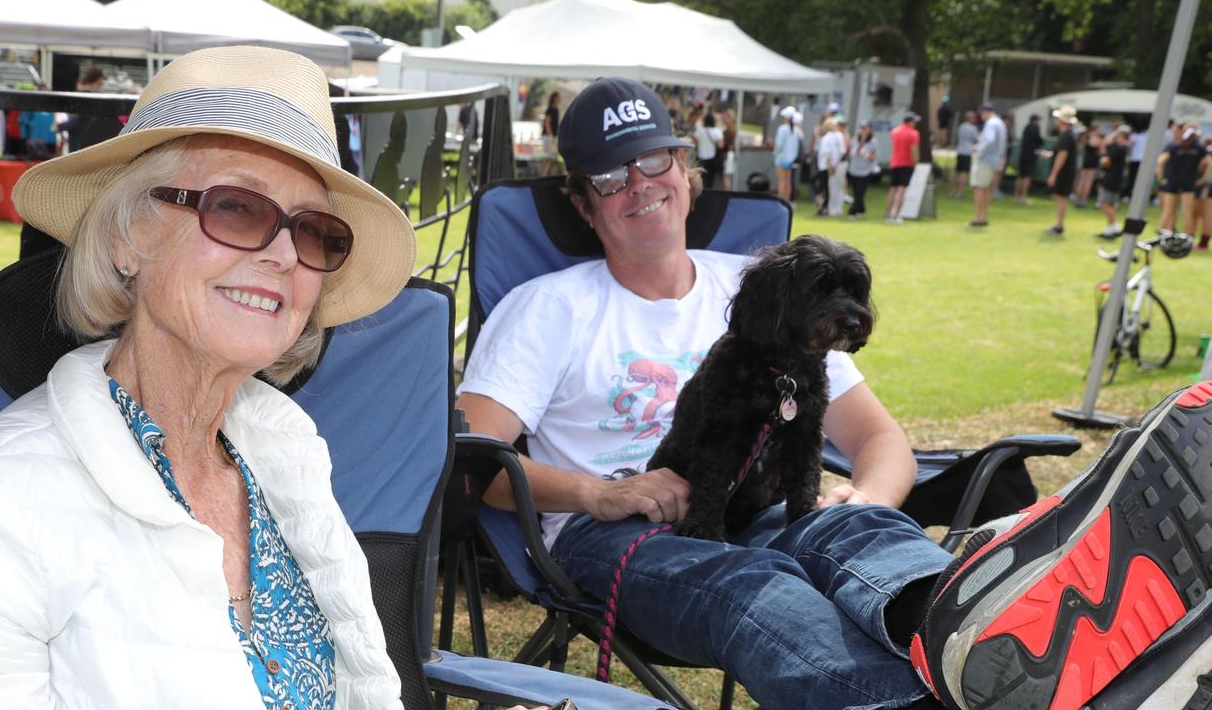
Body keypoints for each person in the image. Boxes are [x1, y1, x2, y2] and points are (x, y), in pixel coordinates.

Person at [458, 74, 1212, 710]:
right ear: (584, 204)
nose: (639, 188)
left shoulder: (768, 284)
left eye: (653, 161)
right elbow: (474, 462)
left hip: (776, 505)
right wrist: (598, 494)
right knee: (757, 584)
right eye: (610, 178)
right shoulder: (546, 306)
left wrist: (868, 500)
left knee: (862, 537)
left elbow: (880, 444)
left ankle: (994, 642)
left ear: (687, 170)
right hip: (628, 533)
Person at [0, 45, 429, 709]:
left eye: (314, 232)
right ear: (128, 236)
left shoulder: (283, 457)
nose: (284, 255)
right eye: (237, 208)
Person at [1156, 121, 1210, 234]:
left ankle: (1163, 235)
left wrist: (1161, 178)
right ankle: (1186, 237)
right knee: (1186, 212)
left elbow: (1160, 161)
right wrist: (1203, 178)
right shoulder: (1198, 147)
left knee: (1168, 211)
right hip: (1188, 181)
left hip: (1173, 180)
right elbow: (1209, 163)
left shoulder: (1175, 145)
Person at [969, 102, 1007, 227]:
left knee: (979, 187)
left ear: (985, 112)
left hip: (985, 159)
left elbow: (989, 140)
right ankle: (983, 216)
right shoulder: (1000, 123)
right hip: (995, 159)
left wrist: (979, 150)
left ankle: (979, 217)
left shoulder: (991, 123)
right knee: (985, 188)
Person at [1044, 105, 1079, 236]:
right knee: (1060, 198)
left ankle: (1059, 225)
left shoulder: (1066, 136)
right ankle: (1058, 224)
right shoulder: (1066, 135)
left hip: (1064, 173)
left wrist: (1053, 174)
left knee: (1061, 198)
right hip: (1065, 172)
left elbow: (1062, 156)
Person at [1097, 125, 1131, 239]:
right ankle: (1110, 229)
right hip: (1115, 179)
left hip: (1112, 179)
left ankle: (1115, 227)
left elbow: (1105, 161)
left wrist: (1103, 159)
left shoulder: (1120, 149)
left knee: (1104, 204)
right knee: (1109, 204)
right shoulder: (1120, 148)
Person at [885, 112, 920, 224]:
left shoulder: (895, 131)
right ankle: (896, 215)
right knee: (901, 190)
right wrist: (915, 163)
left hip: (894, 163)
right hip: (906, 164)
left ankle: (888, 214)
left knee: (892, 189)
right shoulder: (913, 133)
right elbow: (913, 150)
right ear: (911, 122)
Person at [847, 120, 879, 218]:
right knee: (856, 191)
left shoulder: (873, 141)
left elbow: (875, 156)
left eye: (865, 128)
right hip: (854, 169)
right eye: (861, 128)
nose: (863, 131)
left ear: (869, 130)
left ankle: (852, 212)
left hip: (866, 171)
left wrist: (868, 155)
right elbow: (850, 151)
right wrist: (854, 152)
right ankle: (861, 209)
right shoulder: (855, 139)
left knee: (860, 191)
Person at [772, 106, 803, 202]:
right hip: (790, 159)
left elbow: (778, 145)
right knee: (787, 182)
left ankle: (781, 201)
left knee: (781, 181)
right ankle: (787, 201)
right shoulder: (797, 130)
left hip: (781, 159)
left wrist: (775, 153)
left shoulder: (782, 129)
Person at [821, 115, 849, 217]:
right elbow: (842, 151)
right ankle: (837, 209)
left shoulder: (828, 137)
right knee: (839, 187)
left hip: (834, 165)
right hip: (839, 164)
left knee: (834, 187)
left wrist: (831, 166)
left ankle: (833, 209)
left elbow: (827, 153)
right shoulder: (839, 136)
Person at [1014, 114, 1042, 205]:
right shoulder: (1035, 128)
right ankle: (1023, 196)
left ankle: (1016, 196)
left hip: (1023, 154)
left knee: (1020, 175)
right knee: (1027, 176)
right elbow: (1039, 141)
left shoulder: (1026, 128)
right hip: (1031, 155)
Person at [950, 110, 978, 199]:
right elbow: (976, 139)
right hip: (967, 152)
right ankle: (960, 192)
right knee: (964, 173)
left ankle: (952, 191)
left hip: (960, 151)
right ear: (970, 118)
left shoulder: (961, 126)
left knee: (957, 172)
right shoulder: (972, 128)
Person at [695, 112, 724, 190]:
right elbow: (721, 146)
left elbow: (695, 142)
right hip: (711, 157)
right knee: (710, 180)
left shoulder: (699, 131)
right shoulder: (717, 131)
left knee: (700, 179)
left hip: (701, 157)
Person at [1076, 124, 1103, 207]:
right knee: (1088, 182)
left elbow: (1080, 149)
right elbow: (1101, 151)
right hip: (1093, 161)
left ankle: (1078, 199)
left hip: (1086, 160)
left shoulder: (1086, 137)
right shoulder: (1097, 139)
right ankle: (1083, 201)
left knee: (1081, 180)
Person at [542, 91, 561, 175]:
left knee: (548, 158)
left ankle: (545, 175)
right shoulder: (550, 109)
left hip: (551, 136)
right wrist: (551, 136)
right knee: (549, 158)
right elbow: (547, 122)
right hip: (549, 136)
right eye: (558, 97)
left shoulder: (555, 109)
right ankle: (545, 176)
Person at [720, 108, 738, 191]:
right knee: (726, 177)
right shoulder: (732, 127)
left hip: (727, 154)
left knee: (726, 177)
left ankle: (726, 194)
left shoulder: (730, 129)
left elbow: (723, 143)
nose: (723, 119)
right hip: (729, 154)